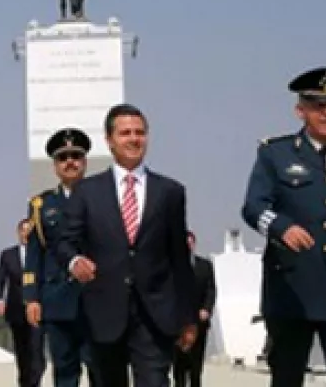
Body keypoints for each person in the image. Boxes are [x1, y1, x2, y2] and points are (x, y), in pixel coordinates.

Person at [241, 67, 326, 387]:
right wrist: (281, 228)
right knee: (287, 378)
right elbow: (253, 207)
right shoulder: (275, 154)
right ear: (300, 110)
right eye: (319, 105)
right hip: (293, 292)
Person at [57, 103, 198, 387]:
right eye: (125, 133)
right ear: (109, 140)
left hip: (155, 314)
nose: (134, 139)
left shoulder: (170, 192)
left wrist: (188, 317)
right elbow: (64, 241)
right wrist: (74, 262)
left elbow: (179, 259)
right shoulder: (87, 192)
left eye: (140, 132)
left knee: (155, 381)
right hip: (104, 313)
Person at [23, 128, 99, 387]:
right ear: (55, 165)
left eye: (76, 156)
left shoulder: (102, 199)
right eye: (63, 157)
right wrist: (31, 297)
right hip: (57, 299)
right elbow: (34, 254)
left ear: (85, 162)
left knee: (102, 369)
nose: (70, 162)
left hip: (97, 299)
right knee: (64, 372)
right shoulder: (41, 205)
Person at [0, 219, 45, 387]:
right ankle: (25, 382)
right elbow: (0, 278)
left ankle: (35, 382)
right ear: (18, 233)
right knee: (22, 353)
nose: (26, 234)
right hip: (16, 310)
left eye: (29, 230)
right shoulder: (8, 255)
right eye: (23, 230)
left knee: (36, 352)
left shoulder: (41, 253)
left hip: (37, 310)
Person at [173, 231, 216, 387]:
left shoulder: (205, 265)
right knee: (179, 367)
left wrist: (206, 309)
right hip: (178, 324)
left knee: (196, 367)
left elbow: (211, 290)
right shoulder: (172, 266)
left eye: (190, 242)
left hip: (199, 323)